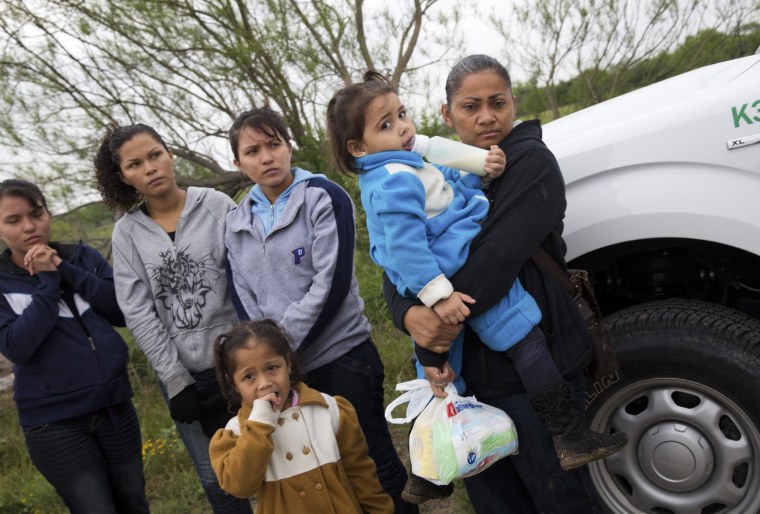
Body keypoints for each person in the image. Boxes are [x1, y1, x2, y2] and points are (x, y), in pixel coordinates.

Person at [326, 70, 628, 504]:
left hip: (523, 382)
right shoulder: (402, 173)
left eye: (498, 103)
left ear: (514, 103)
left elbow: (492, 260)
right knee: (496, 499)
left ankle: (564, 435)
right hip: (476, 390)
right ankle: (430, 471)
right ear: (448, 114)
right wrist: (411, 313)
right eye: (471, 106)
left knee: (560, 497)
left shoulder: (527, 162)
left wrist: (431, 333)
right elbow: (397, 257)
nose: (487, 117)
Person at [223, 107, 414, 513]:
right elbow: (243, 299)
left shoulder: (324, 197)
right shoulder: (235, 222)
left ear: (288, 146)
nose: (267, 157)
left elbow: (332, 283)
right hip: (282, 372)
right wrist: (272, 360)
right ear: (238, 163)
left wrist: (279, 348)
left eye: (274, 144)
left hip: (342, 358)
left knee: (373, 466)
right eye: (253, 151)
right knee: (314, 472)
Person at [93, 124, 253, 514]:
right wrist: (176, 381)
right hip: (183, 375)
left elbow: (250, 277)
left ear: (169, 154)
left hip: (243, 364)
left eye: (154, 154)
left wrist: (248, 353)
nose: (150, 167)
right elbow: (138, 312)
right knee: (217, 477)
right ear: (122, 176)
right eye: (135, 164)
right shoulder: (127, 233)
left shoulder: (215, 205)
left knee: (273, 456)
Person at [0, 179, 150, 514]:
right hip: (55, 424)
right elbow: (16, 346)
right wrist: (48, 284)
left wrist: (64, 269)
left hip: (115, 406)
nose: (29, 226)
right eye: (13, 220)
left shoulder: (81, 257)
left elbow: (119, 310)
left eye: (36, 214)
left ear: (48, 213)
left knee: (135, 503)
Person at [209, 319, 394, 513]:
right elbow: (239, 486)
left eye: (272, 368)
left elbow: (361, 472)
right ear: (233, 384)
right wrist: (259, 424)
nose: (264, 383)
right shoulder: (237, 432)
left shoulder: (328, 409)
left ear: (287, 363)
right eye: (248, 377)